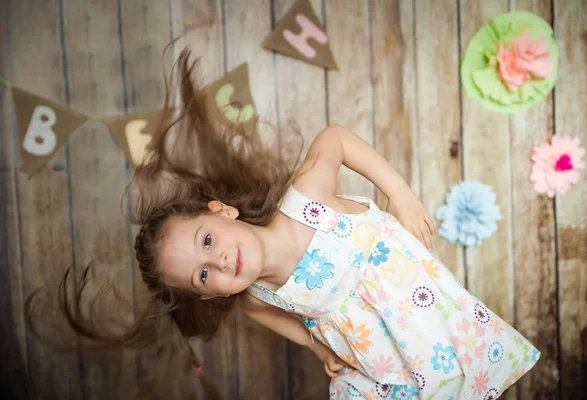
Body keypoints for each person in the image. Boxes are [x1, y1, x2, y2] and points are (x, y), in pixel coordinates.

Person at [26, 47, 539, 400]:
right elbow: (262, 315)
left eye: (208, 241)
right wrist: (316, 346)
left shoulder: (302, 203)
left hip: (415, 308)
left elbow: (335, 138)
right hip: (379, 363)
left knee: (456, 378)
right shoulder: (257, 295)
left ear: (220, 210)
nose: (220, 260)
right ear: (211, 295)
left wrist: (399, 193)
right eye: (205, 274)